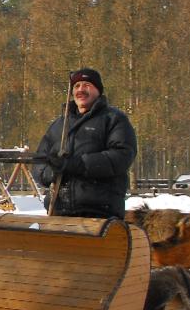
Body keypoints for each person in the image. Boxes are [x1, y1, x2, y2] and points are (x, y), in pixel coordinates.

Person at [33, 67, 137, 219]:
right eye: (76, 86)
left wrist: (77, 164)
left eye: (86, 85)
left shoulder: (113, 119)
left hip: (100, 213)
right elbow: (39, 164)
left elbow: (121, 156)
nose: (80, 89)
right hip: (59, 213)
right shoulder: (58, 125)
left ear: (98, 90)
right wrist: (53, 170)